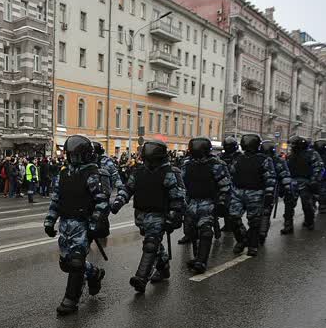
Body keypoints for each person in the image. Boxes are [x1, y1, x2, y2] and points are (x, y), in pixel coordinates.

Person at [44, 135, 109, 315]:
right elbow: (56, 200)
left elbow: (102, 202)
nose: (73, 159)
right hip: (66, 224)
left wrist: (94, 224)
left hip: (82, 224)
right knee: (66, 263)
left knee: (76, 261)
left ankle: (71, 300)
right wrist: (50, 221)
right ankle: (94, 273)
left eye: (77, 155)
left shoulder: (93, 174)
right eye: (71, 155)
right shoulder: (64, 174)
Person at [111, 140, 185, 293]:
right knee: (154, 245)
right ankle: (163, 268)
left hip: (159, 214)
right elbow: (128, 189)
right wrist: (118, 202)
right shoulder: (139, 172)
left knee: (151, 244)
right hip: (141, 215)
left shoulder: (169, 173)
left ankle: (141, 278)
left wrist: (174, 215)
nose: (148, 161)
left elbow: (177, 197)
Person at [180, 137, 231, 274]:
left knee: (205, 230)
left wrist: (221, 202)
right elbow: (181, 185)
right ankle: (197, 257)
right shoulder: (186, 164)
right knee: (191, 231)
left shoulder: (216, 164)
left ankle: (201, 261)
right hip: (191, 202)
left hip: (208, 201)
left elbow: (225, 185)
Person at [226, 134, 276, 256]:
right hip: (238, 192)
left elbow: (270, 177)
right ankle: (242, 240)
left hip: (255, 192)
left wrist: (269, 193)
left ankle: (253, 245)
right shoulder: (238, 158)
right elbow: (231, 174)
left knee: (254, 221)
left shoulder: (264, 159)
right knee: (233, 217)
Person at [281, 136, 324, 233]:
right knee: (288, 204)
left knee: (307, 204)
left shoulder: (312, 154)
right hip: (292, 182)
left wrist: (314, 180)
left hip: (306, 182)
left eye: (294, 145)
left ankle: (309, 222)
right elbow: (285, 169)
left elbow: (319, 167)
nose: (292, 147)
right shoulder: (290, 155)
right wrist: (284, 181)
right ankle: (288, 225)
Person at [258, 140, 291, 243]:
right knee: (255, 214)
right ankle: (254, 233)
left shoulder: (278, 161)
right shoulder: (257, 159)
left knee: (265, 211)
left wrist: (286, 188)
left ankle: (262, 233)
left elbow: (285, 175)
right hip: (255, 189)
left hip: (270, 189)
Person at [218, 137, 242, 232]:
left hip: (235, 184)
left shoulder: (239, 157)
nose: (228, 148)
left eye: (230, 146)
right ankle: (227, 224)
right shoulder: (221, 156)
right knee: (223, 205)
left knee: (232, 206)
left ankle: (231, 224)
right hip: (222, 183)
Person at [316, 139, 326, 214]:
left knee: (322, 190)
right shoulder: (315, 153)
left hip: (321, 173)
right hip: (320, 172)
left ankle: (322, 205)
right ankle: (322, 205)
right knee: (322, 190)